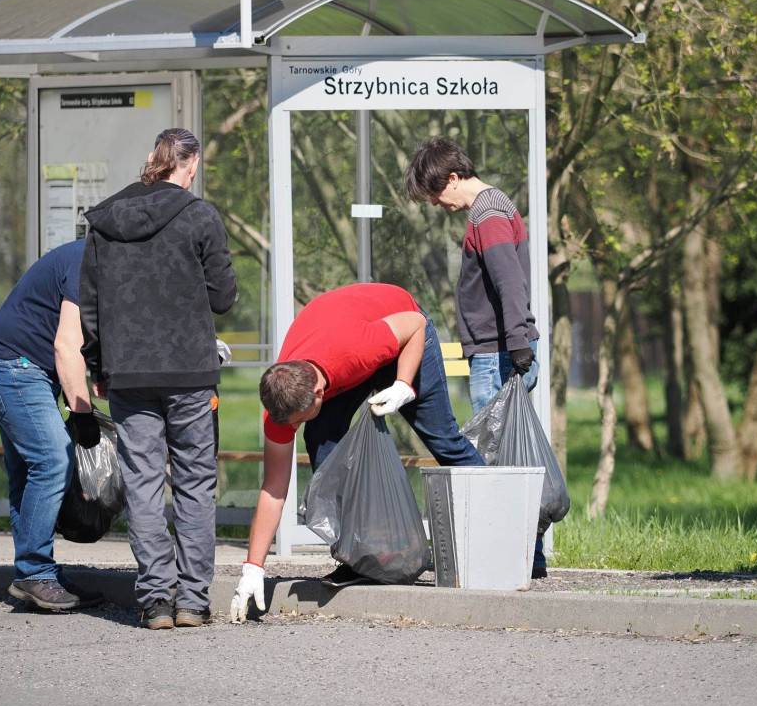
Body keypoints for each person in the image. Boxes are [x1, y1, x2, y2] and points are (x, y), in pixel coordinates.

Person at [229, 283, 484, 623]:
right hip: (347, 342)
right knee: (321, 439)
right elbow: (274, 488)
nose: (293, 427)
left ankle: (495, 538)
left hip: (402, 329)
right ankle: (362, 556)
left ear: (319, 393)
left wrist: (404, 386)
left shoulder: (356, 350)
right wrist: (253, 568)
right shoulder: (281, 403)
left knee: (442, 439)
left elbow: (414, 325)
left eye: (298, 419)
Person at [80, 127, 236, 630]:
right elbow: (223, 297)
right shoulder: (200, 215)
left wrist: (99, 365)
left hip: (128, 373)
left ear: (154, 160)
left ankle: (156, 602)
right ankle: (192, 600)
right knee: (194, 483)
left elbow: (91, 307)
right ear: (187, 165)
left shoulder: (104, 219)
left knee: (144, 485)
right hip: (190, 371)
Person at [406, 136, 547, 578]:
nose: (435, 204)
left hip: (499, 352)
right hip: (502, 347)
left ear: (452, 178)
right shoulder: (495, 208)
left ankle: (514, 559)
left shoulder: (487, 213)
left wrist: (517, 341)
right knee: (508, 457)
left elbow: (508, 282)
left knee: (494, 462)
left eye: (435, 194)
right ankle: (526, 557)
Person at [0, 239, 105, 612]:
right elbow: (66, 344)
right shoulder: (88, 259)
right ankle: (34, 572)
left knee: (29, 474)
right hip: (12, 366)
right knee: (53, 461)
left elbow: (78, 337)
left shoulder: (93, 255)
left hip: (15, 365)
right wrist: (81, 414)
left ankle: (34, 572)